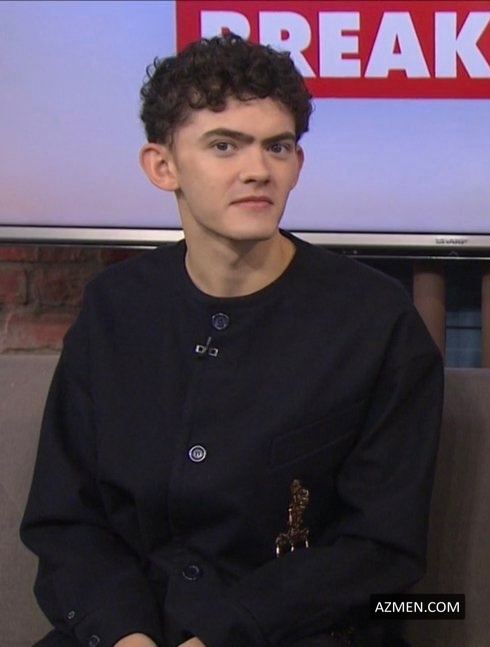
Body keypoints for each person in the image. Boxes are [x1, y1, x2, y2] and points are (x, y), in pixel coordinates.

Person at [21, 33, 443, 647]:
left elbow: (380, 550)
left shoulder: (376, 320)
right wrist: (124, 635)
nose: (258, 170)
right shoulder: (115, 308)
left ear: (298, 163)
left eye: (278, 146)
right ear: (162, 166)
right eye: (225, 145)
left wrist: (221, 635)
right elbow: (67, 520)